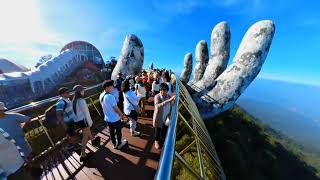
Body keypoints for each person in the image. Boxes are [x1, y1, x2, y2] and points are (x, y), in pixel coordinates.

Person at [100, 80, 128, 149]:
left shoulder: (101, 95)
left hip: (107, 118)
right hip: (115, 118)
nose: (113, 87)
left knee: (111, 131)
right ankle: (119, 143)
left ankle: (114, 144)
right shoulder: (110, 96)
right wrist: (122, 115)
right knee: (118, 131)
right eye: (112, 86)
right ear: (107, 87)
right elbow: (116, 108)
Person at [72, 85, 94, 162]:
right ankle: (83, 154)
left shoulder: (74, 100)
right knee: (85, 136)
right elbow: (86, 113)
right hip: (83, 120)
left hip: (79, 121)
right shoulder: (81, 100)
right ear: (80, 91)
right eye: (83, 90)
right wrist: (89, 122)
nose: (84, 91)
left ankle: (92, 139)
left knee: (87, 132)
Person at [153, 83, 175, 149]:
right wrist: (168, 101)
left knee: (164, 130)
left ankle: (162, 140)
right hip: (159, 117)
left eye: (164, 90)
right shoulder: (157, 97)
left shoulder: (168, 96)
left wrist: (170, 114)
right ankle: (156, 141)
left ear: (167, 90)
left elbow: (171, 106)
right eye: (160, 90)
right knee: (158, 131)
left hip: (166, 116)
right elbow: (157, 106)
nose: (162, 92)